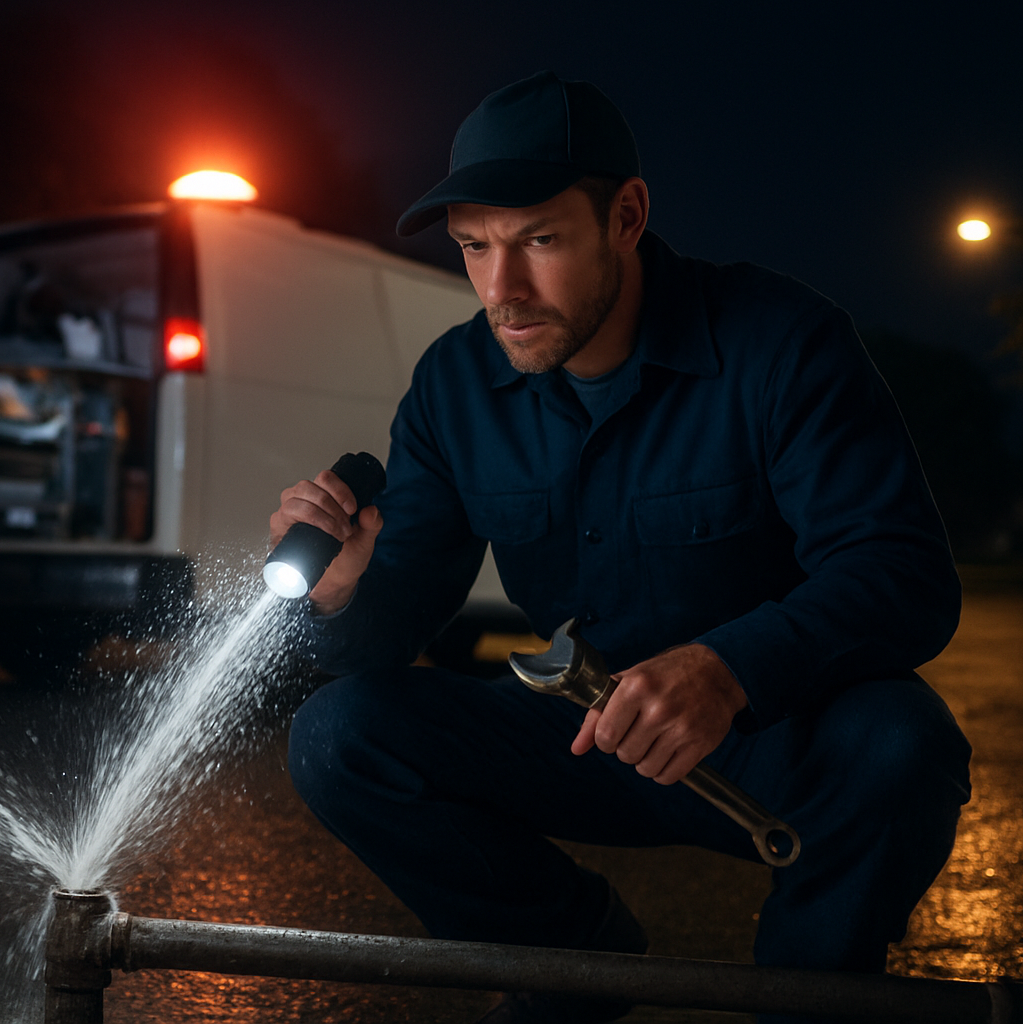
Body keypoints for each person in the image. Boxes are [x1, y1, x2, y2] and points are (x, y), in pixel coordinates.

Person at [270, 71, 971, 1024]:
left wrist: (727, 669)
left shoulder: (782, 342)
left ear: (627, 217)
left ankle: (809, 995)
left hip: (767, 736)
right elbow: (384, 646)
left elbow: (903, 573)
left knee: (905, 742)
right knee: (339, 733)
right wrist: (346, 594)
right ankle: (568, 964)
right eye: (475, 248)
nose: (501, 290)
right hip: (579, 735)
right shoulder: (452, 387)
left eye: (540, 242)